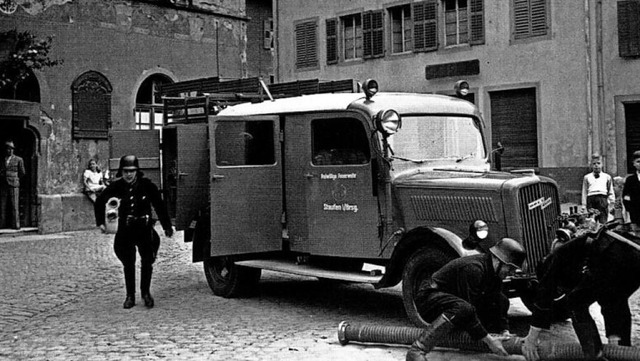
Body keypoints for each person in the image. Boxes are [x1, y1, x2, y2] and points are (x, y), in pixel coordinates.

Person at [521, 225, 640, 361]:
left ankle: (594, 355)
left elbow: (544, 295)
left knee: (574, 302)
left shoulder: (554, 261)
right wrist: (613, 333)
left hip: (616, 257)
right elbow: (607, 295)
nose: (561, 290)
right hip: (631, 256)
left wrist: (531, 338)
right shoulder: (580, 259)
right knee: (613, 297)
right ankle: (620, 348)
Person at [406, 238, 526, 361]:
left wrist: (504, 330)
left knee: (502, 300)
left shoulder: (494, 273)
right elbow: (468, 310)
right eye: (509, 268)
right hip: (428, 300)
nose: (510, 273)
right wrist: (489, 341)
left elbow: (499, 301)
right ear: (497, 260)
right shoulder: (473, 268)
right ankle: (417, 350)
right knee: (465, 309)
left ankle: (474, 343)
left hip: (451, 304)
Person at [94, 155, 174, 309]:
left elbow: (159, 204)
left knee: (147, 262)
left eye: (132, 171)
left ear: (137, 171)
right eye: (125, 171)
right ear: (121, 172)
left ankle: (145, 293)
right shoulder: (116, 187)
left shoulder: (146, 185)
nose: (129, 174)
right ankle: (130, 296)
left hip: (144, 229)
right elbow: (100, 201)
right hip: (126, 230)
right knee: (128, 263)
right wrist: (101, 222)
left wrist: (166, 226)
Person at [581, 154, 615, 224]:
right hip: (591, 199)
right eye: (594, 164)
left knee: (603, 221)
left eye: (598, 163)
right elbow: (584, 191)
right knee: (592, 221)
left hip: (602, 199)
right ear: (591, 165)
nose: (596, 165)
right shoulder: (587, 177)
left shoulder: (607, 177)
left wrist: (611, 202)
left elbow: (610, 190)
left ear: (602, 164)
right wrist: (584, 205)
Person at [0, 140, 26, 230]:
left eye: (12, 149)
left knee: (15, 205)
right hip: (3, 184)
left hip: (14, 184)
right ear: (6, 149)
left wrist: (15, 179)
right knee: (2, 205)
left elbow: (22, 172)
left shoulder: (19, 159)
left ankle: (16, 225)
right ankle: (2, 224)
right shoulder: (3, 159)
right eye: (8, 149)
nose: (10, 151)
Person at [623, 150, 640, 234]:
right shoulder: (630, 180)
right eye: (638, 161)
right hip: (636, 214)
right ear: (634, 163)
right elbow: (626, 196)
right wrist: (630, 209)